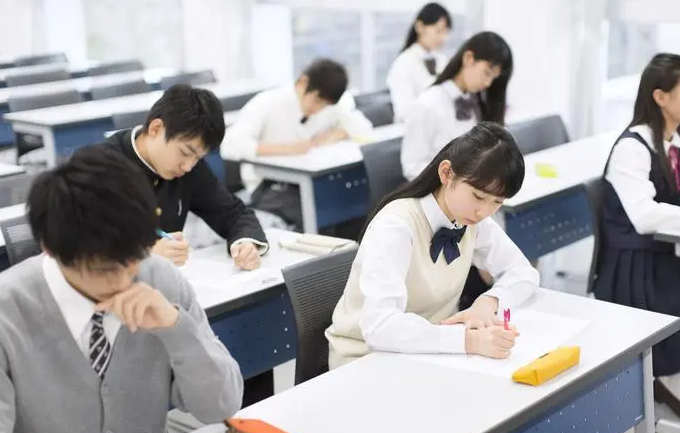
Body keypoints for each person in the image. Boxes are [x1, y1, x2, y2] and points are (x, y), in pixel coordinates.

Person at [0, 145, 243, 433]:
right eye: (104, 269)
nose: (124, 279)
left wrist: (176, 329)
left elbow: (222, 406)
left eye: (134, 258)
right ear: (50, 249)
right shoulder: (7, 311)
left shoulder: (160, 278)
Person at [325, 122, 539, 369]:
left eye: (497, 202)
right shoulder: (395, 226)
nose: (484, 211)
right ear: (447, 173)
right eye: (478, 196)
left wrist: (488, 302)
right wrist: (468, 341)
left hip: (430, 353)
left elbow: (523, 272)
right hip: (365, 361)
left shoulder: (471, 220)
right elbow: (380, 328)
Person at [595, 53, 680, 425]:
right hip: (633, 268)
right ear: (661, 96)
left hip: (666, 255)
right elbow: (645, 216)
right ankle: (671, 378)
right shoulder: (631, 148)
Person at [104, 84, 268, 270]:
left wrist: (244, 243)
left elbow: (233, 214)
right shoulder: (99, 165)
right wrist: (143, 256)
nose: (188, 166)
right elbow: (79, 249)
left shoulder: (189, 167)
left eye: (198, 157)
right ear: (156, 129)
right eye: (184, 152)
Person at [220, 58, 373, 232]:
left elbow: (364, 130)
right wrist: (287, 149)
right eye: (317, 101)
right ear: (303, 82)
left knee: (354, 201)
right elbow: (230, 146)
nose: (319, 109)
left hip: (313, 179)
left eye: (325, 105)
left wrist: (331, 136)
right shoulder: (267, 103)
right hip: (270, 185)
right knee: (319, 210)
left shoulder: (331, 103)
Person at [400, 31, 513, 181]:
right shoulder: (427, 104)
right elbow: (412, 167)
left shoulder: (480, 104)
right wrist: (455, 181)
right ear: (468, 59)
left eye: (493, 78)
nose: (488, 83)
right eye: (487, 73)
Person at [386, 2, 452, 122]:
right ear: (419, 27)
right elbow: (404, 111)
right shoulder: (403, 63)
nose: (443, 38)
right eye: (438, 31)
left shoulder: (442, 59)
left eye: (445, 32)